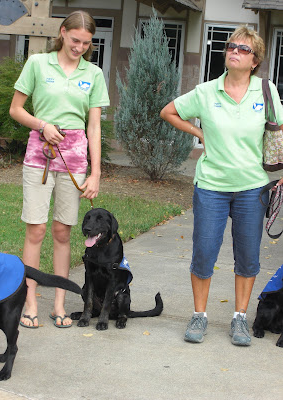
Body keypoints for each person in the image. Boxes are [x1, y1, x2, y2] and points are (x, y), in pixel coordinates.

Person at [160, 26, 283, 346]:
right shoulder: (206, 91)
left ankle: (239, 318)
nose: (234, 52)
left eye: (243, 49)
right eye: (231, 47)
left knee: (248, 257)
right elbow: (168, 111)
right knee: (203, 253)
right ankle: (199, 315)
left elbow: (280, 129)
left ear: (255, 60)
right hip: (211, 186)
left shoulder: (266, 91)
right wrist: (198, 134)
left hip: (252, 188)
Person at [9, 10, 110, 328]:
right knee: (36, 230)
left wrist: (95, 173)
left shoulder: (93, 74)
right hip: (40, 155)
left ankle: (60, 305)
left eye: (86, 42)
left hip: (76, 160)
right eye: (75, 39)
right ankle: (29, 304)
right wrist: (42, 125)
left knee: (63, 231)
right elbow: (16, 109)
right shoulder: (38, 64)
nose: (79, 46)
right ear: (63, 32)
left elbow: (93, 128)